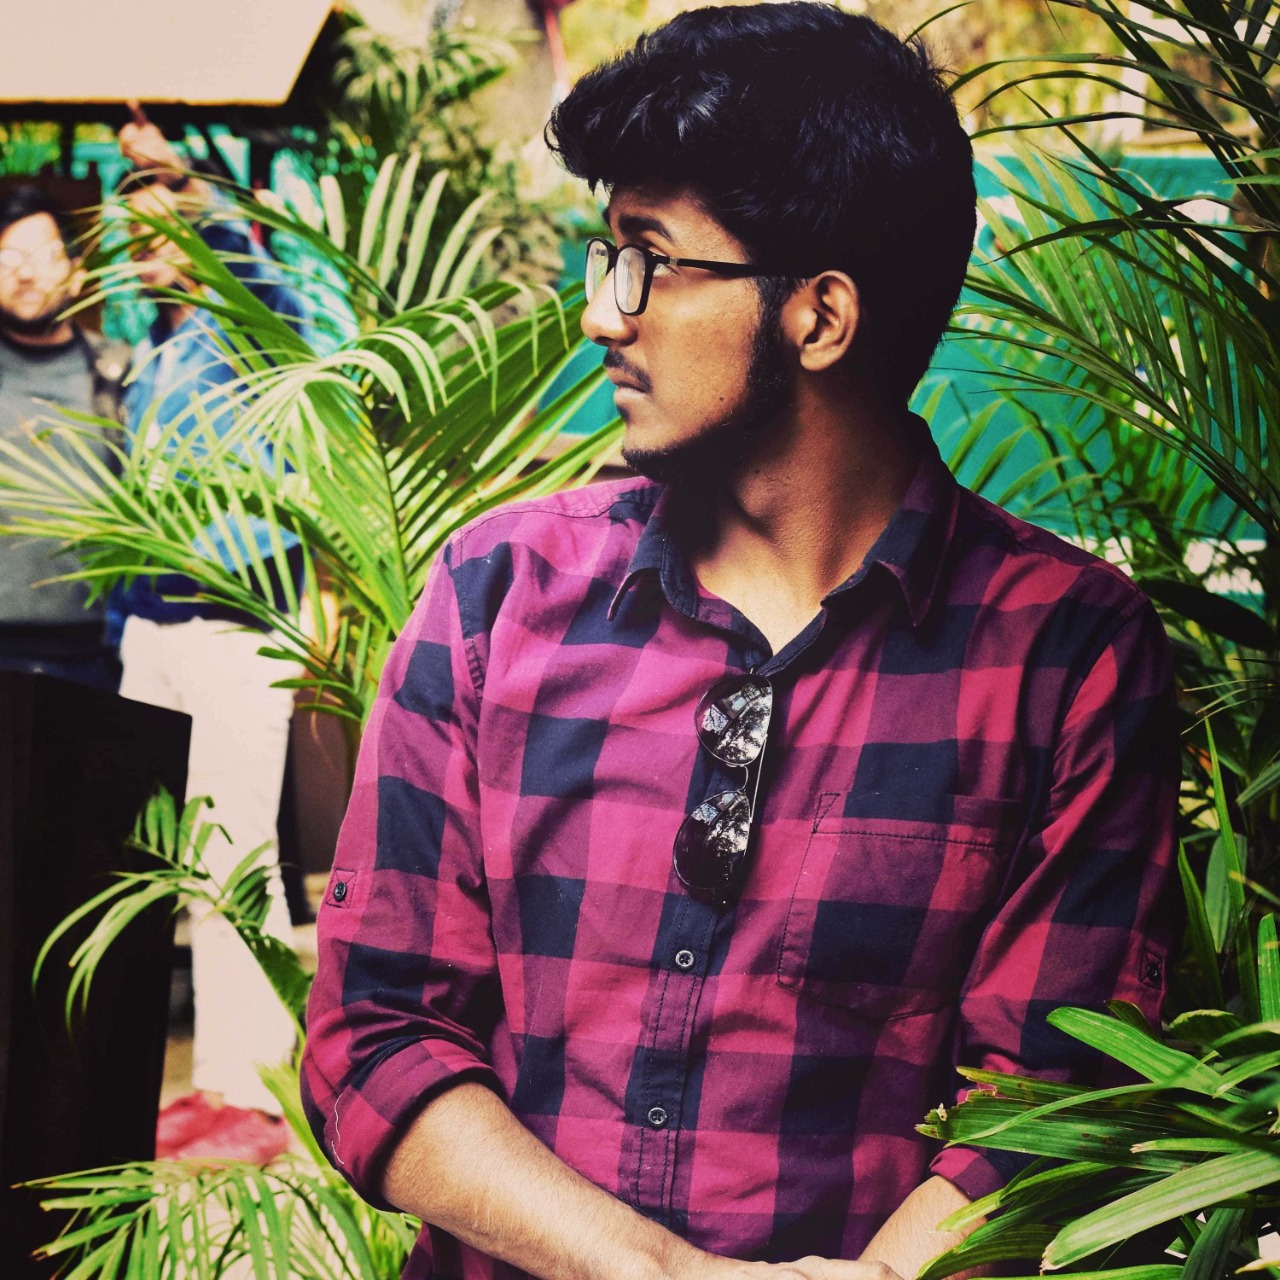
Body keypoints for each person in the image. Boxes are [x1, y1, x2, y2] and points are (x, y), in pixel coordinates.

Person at [301, 5, 1179, 1279]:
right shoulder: (497, 591)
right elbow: (376, 1035)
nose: (604, 315)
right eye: (610, 254)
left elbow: (1053, 1095)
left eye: (650, 260)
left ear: (818, 315)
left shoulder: (1064, 653)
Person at [112, 116, 311, 1161]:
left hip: (236, 621)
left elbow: (258, 273)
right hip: (152, 628)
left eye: (165, 231)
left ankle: (259, 1089)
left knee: (237, 852)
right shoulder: (152, 347)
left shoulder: (249, 328)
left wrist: (185, 182)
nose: (147, 251)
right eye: (135, 237)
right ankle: (207, 1077)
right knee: (174, 859)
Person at [0, 184, 130, 691]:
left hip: (94, 657)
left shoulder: (117, 372)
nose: (25, 273)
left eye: (42, 256)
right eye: (8, 258)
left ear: (77, 272)